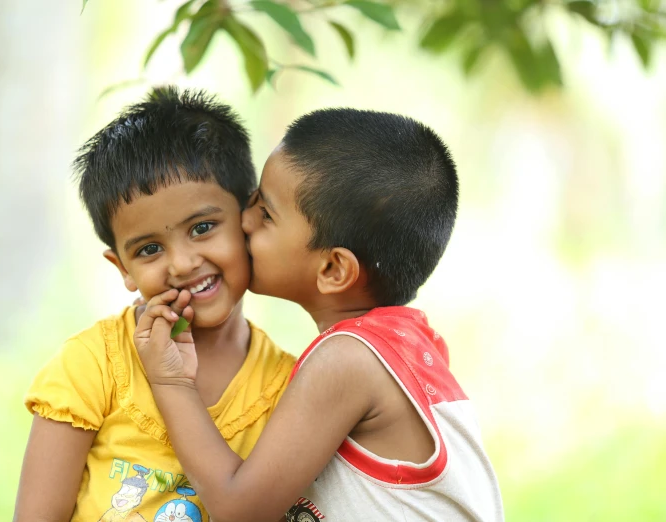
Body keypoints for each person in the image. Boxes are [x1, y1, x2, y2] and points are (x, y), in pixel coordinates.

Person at [137, 108, 505, 521]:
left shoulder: (348, 360)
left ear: (333, 269)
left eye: (265, 213)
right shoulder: (408, 347)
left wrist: (170, 380)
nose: (244, 220)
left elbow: (240, 510)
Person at [13, 87, 296, 522]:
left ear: (248, 218)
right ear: (122, 267)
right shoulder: (92, 365)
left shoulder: (290, 389)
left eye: (202, 227)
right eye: (148, 250)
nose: (182, 263)